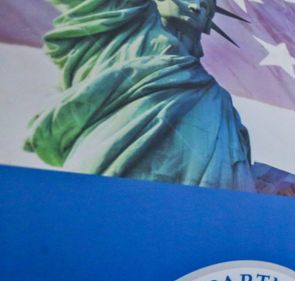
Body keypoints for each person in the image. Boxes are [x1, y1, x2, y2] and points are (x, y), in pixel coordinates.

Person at [25, 0, 256, 191]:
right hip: (109, 179)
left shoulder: (216, 98)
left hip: (192, 216)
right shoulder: (130, 34)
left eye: (205, 6)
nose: (195, 7)